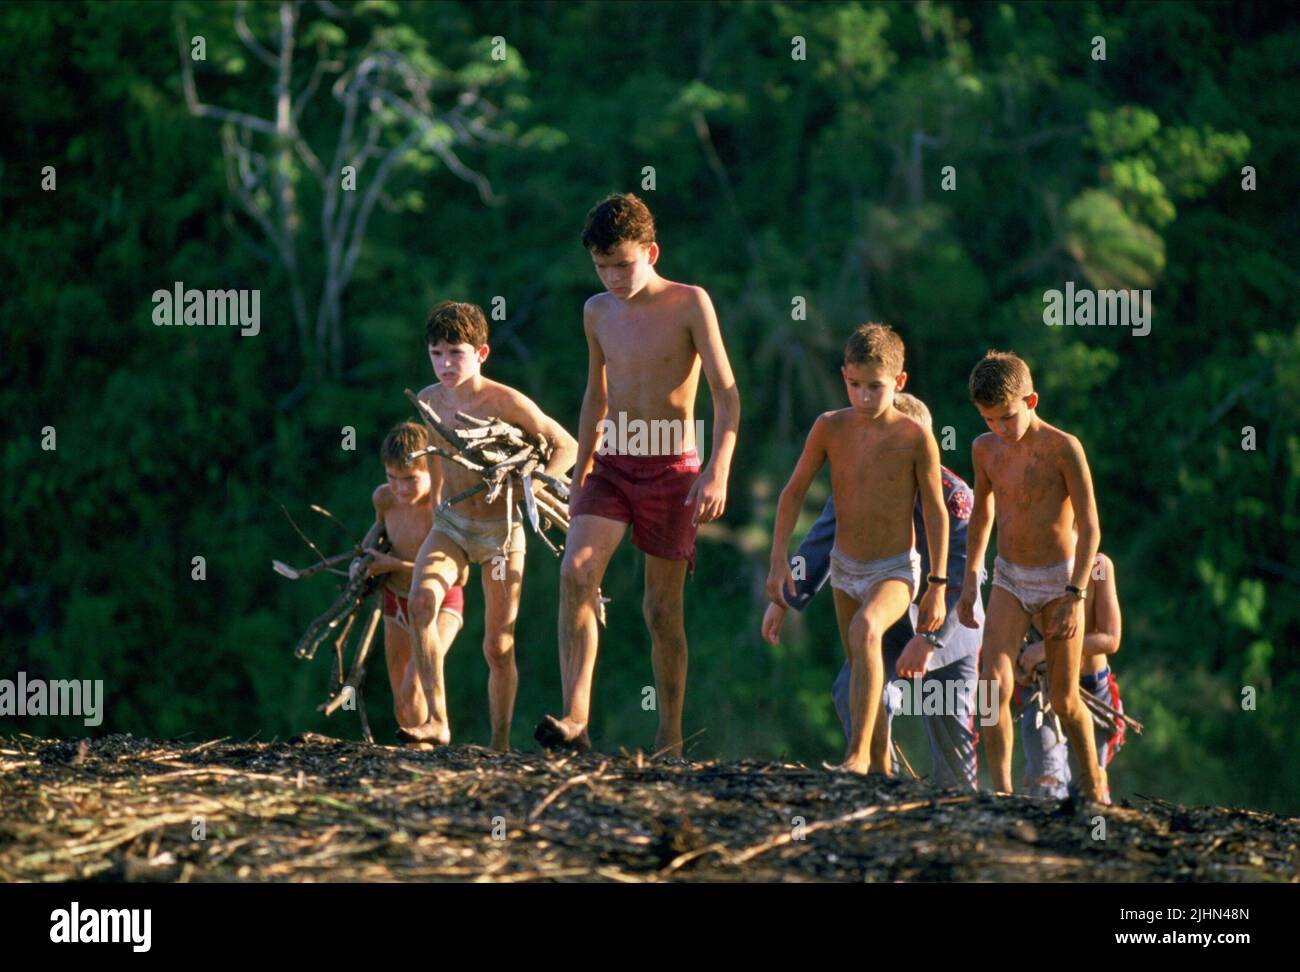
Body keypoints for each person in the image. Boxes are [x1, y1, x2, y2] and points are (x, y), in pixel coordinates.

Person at [535, 192, 740, 756]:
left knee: (661, 610)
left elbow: (726, 395)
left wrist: (718, 469)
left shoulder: (690, 302)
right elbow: (595, 396)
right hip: (612, 464)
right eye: (601, 267)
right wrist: (581, 467)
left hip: (673, 469)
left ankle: (669, 736)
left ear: (651, 252)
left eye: (622, 265)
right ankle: (576, 717)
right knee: (576, 571)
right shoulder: (596, 312)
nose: (612, 278)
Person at [762, 393, 983, 790]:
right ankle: (882, 781)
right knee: (851, 691)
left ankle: (959, 806)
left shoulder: (955, 498)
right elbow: (821, 540)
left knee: (954, 762)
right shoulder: (863, 480)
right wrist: (786, 598)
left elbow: (962, 576)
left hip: (950, 628)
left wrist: (929, 640)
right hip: (889, 615)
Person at [766, 324, 949, 774]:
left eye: (875, 387)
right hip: (845, 568)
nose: (864, 397)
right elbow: (793, 493)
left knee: (866, 630)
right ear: (843, 375)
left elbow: (936, 512)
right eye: (855, 385)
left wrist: (938, 585)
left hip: (895, 569)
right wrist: (778, 561)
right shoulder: (830, 427)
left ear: (899, 382)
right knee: (861, 667)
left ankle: (856, 755)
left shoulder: (914, 437)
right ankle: (881, 765)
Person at [402, 301, 578, 749]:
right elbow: (437, 457)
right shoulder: (428, 399)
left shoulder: (505, 401)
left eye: (455, 353)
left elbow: (568, 447)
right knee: (420, 603)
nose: (445, 364)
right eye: (436, 353)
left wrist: (531, 483)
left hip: (501, 532)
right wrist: (435, 512)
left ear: (481, 354)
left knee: (498, 645)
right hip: (452, 524)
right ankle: (437, 721)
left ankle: (499, 743)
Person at [956, 350, 1107, 803]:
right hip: (1009, 577)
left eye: (1007, 417)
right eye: (988, 419)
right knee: (990, 688)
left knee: (1063, 699)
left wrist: (1076, 595)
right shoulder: (984, 449)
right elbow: (982, 514)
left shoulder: (1064, 448)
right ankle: (1001, 790)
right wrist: (971, 577)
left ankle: (1093, 784)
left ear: (1031, 400)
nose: (999, 428)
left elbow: (1091, 528)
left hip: (1060, 579)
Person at [352, 421, 468, 737]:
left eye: (411, 479)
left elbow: (461, 576)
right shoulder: (384, 498)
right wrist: (361, 561)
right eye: (392, 477)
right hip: (396, 600)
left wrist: (393, 564)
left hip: (439, 604)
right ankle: (417, 759)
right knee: (402, 703)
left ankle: (434, 742)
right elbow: (377, 530)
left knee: (414, 687)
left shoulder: (442, 508)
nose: (401, 488)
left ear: (432, 471)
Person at [1017, 550, 1125, 799]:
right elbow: (1007, 635)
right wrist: (1015, 667)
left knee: (1087, 787)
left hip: (1091, 690)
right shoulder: (1025, 563)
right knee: (1045, 780)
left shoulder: (1098, 567)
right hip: (1043, 692)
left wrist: (1046, 649)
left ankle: (1097, 822)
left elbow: (1111, 639)